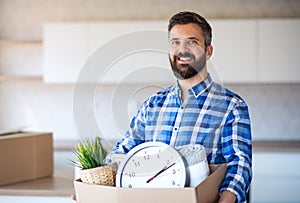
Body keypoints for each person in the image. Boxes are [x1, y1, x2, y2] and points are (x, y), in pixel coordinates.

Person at [72, 11, 252, 203]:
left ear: (208, 51)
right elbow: (123, 153)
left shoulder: (231, 106)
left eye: (192, 42)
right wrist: (92, 188)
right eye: (175, 42)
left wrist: (226, 199)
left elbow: (239, 165)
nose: (182, 50)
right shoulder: (152, 105)